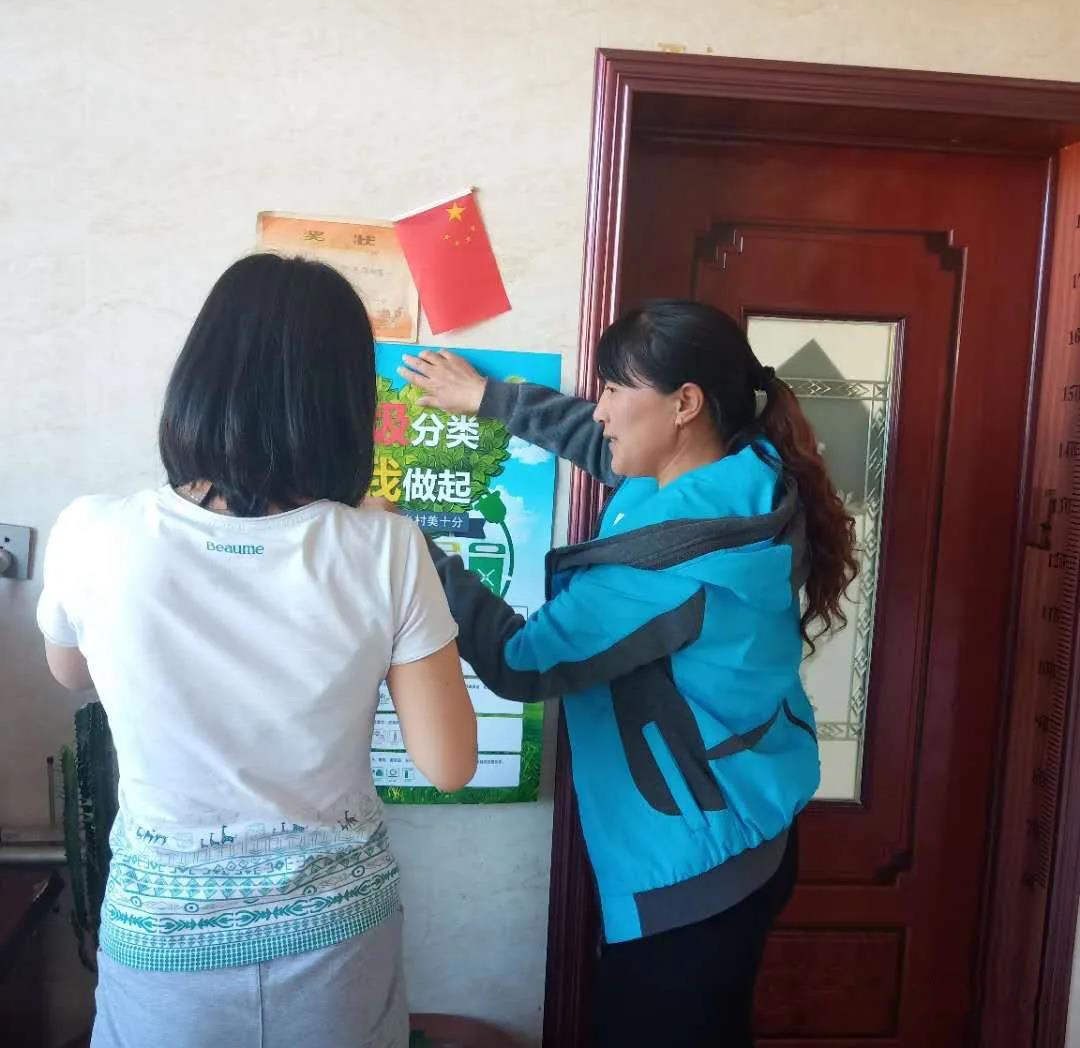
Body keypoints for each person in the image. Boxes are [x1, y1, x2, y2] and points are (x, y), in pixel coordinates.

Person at [37, 253, 477, 1048]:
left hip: (163, 947)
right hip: (336, 944)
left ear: (200, 377)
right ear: (345, 400)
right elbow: (448, 763)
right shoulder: (384, 545)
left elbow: (70, 672)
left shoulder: (93, 530)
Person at [399, 300, 857, 1048]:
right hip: (745, 817)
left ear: (685, 404)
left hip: (696, 869)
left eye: (615, 389)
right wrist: (489, 398)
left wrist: (408, 548)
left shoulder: (670, 565)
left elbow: (522, 661)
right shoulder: (739, 473)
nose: (601, 409)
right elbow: (603, 446)